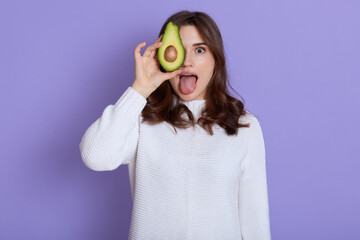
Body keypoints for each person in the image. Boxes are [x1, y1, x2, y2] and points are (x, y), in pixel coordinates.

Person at [79, 10, 272, 240]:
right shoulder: (140, 119)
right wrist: (139, 89)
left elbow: (255, 219)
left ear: (216, 60)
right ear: (162, 57)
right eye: (178, 49)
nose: (187, 61)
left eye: (199, 50)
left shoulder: (244, 125)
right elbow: (94, 156)